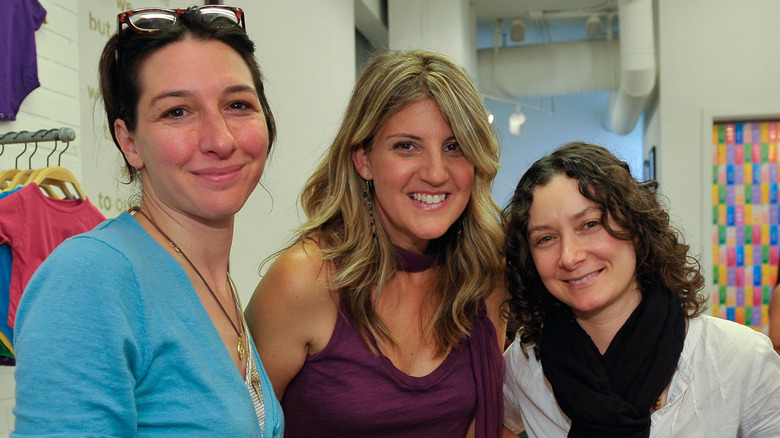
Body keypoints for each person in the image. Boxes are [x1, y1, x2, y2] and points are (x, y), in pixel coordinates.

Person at [12, 6, 283, 436]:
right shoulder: (90, 278)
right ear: (129, 142)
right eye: (177, 112)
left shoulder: (214, 280)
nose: (220, 140)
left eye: (237, 104)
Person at [245, 49, 507, 437]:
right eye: (406, 146)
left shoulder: (485, 277)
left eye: (454, 147)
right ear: (363, 159)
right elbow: (237, 426)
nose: (436, 172)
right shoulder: (306, 280)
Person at [501, 142, 780, 437]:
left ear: (636, 227)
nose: (569, 256)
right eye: (545, 239)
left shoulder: (740, 359)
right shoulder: (523, 364)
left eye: (590, 223)